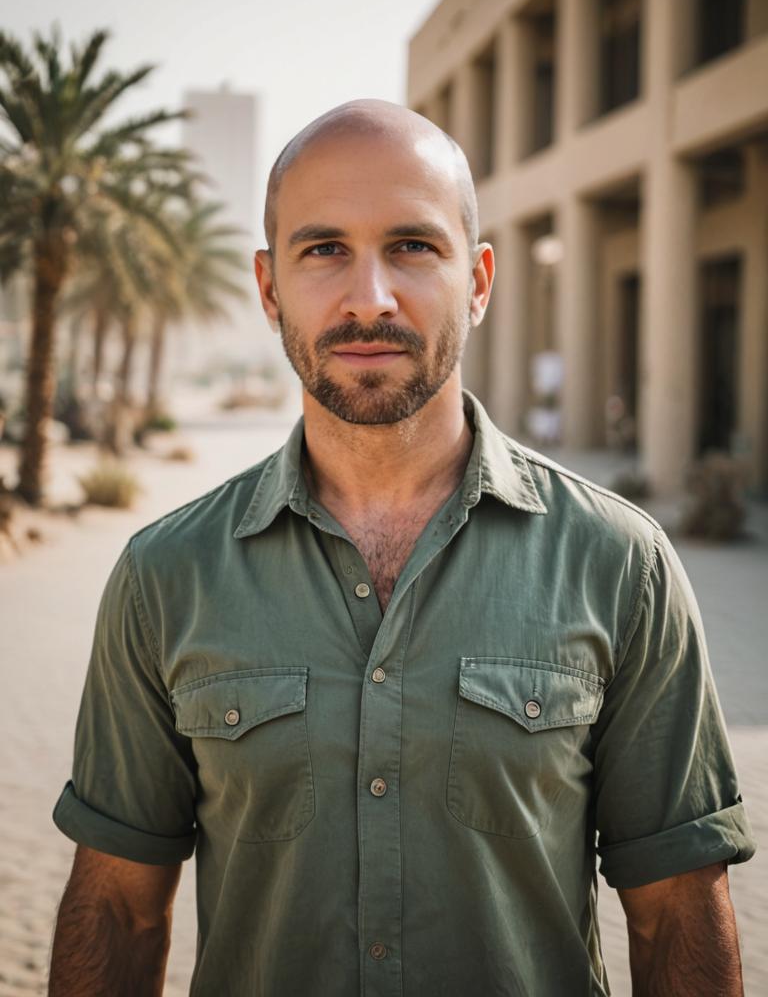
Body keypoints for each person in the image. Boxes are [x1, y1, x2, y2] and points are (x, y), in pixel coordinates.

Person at [50, 100, 755, 997]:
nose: (370, 297)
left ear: (479, 280)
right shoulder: (165, 577)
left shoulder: (622, 566)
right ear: (269, 289)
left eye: (414, 246)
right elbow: (116, 907)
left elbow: (679, 916)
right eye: (324, 250)